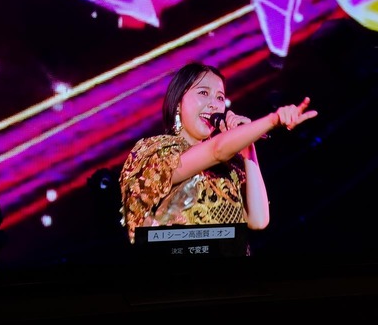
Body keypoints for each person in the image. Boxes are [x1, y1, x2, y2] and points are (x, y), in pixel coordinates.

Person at [118, 62, 318, 249]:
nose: (214, 104)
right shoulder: (156, 151)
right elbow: (216, 150)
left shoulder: (230, 167)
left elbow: (259, 220)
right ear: (178, 102)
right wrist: (272, 120)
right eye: (203, 93)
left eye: (220, 98)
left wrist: (247, 146)